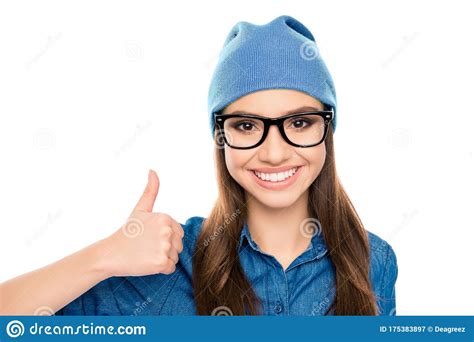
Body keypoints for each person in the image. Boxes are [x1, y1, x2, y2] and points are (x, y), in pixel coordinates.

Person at [0, 15, 397, 316]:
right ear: (220, 138)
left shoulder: (374, 260)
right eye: (246, 125)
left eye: (299, 123)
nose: (275, 153)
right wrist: (106, 257)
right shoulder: (167, 264)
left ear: (327, 131)